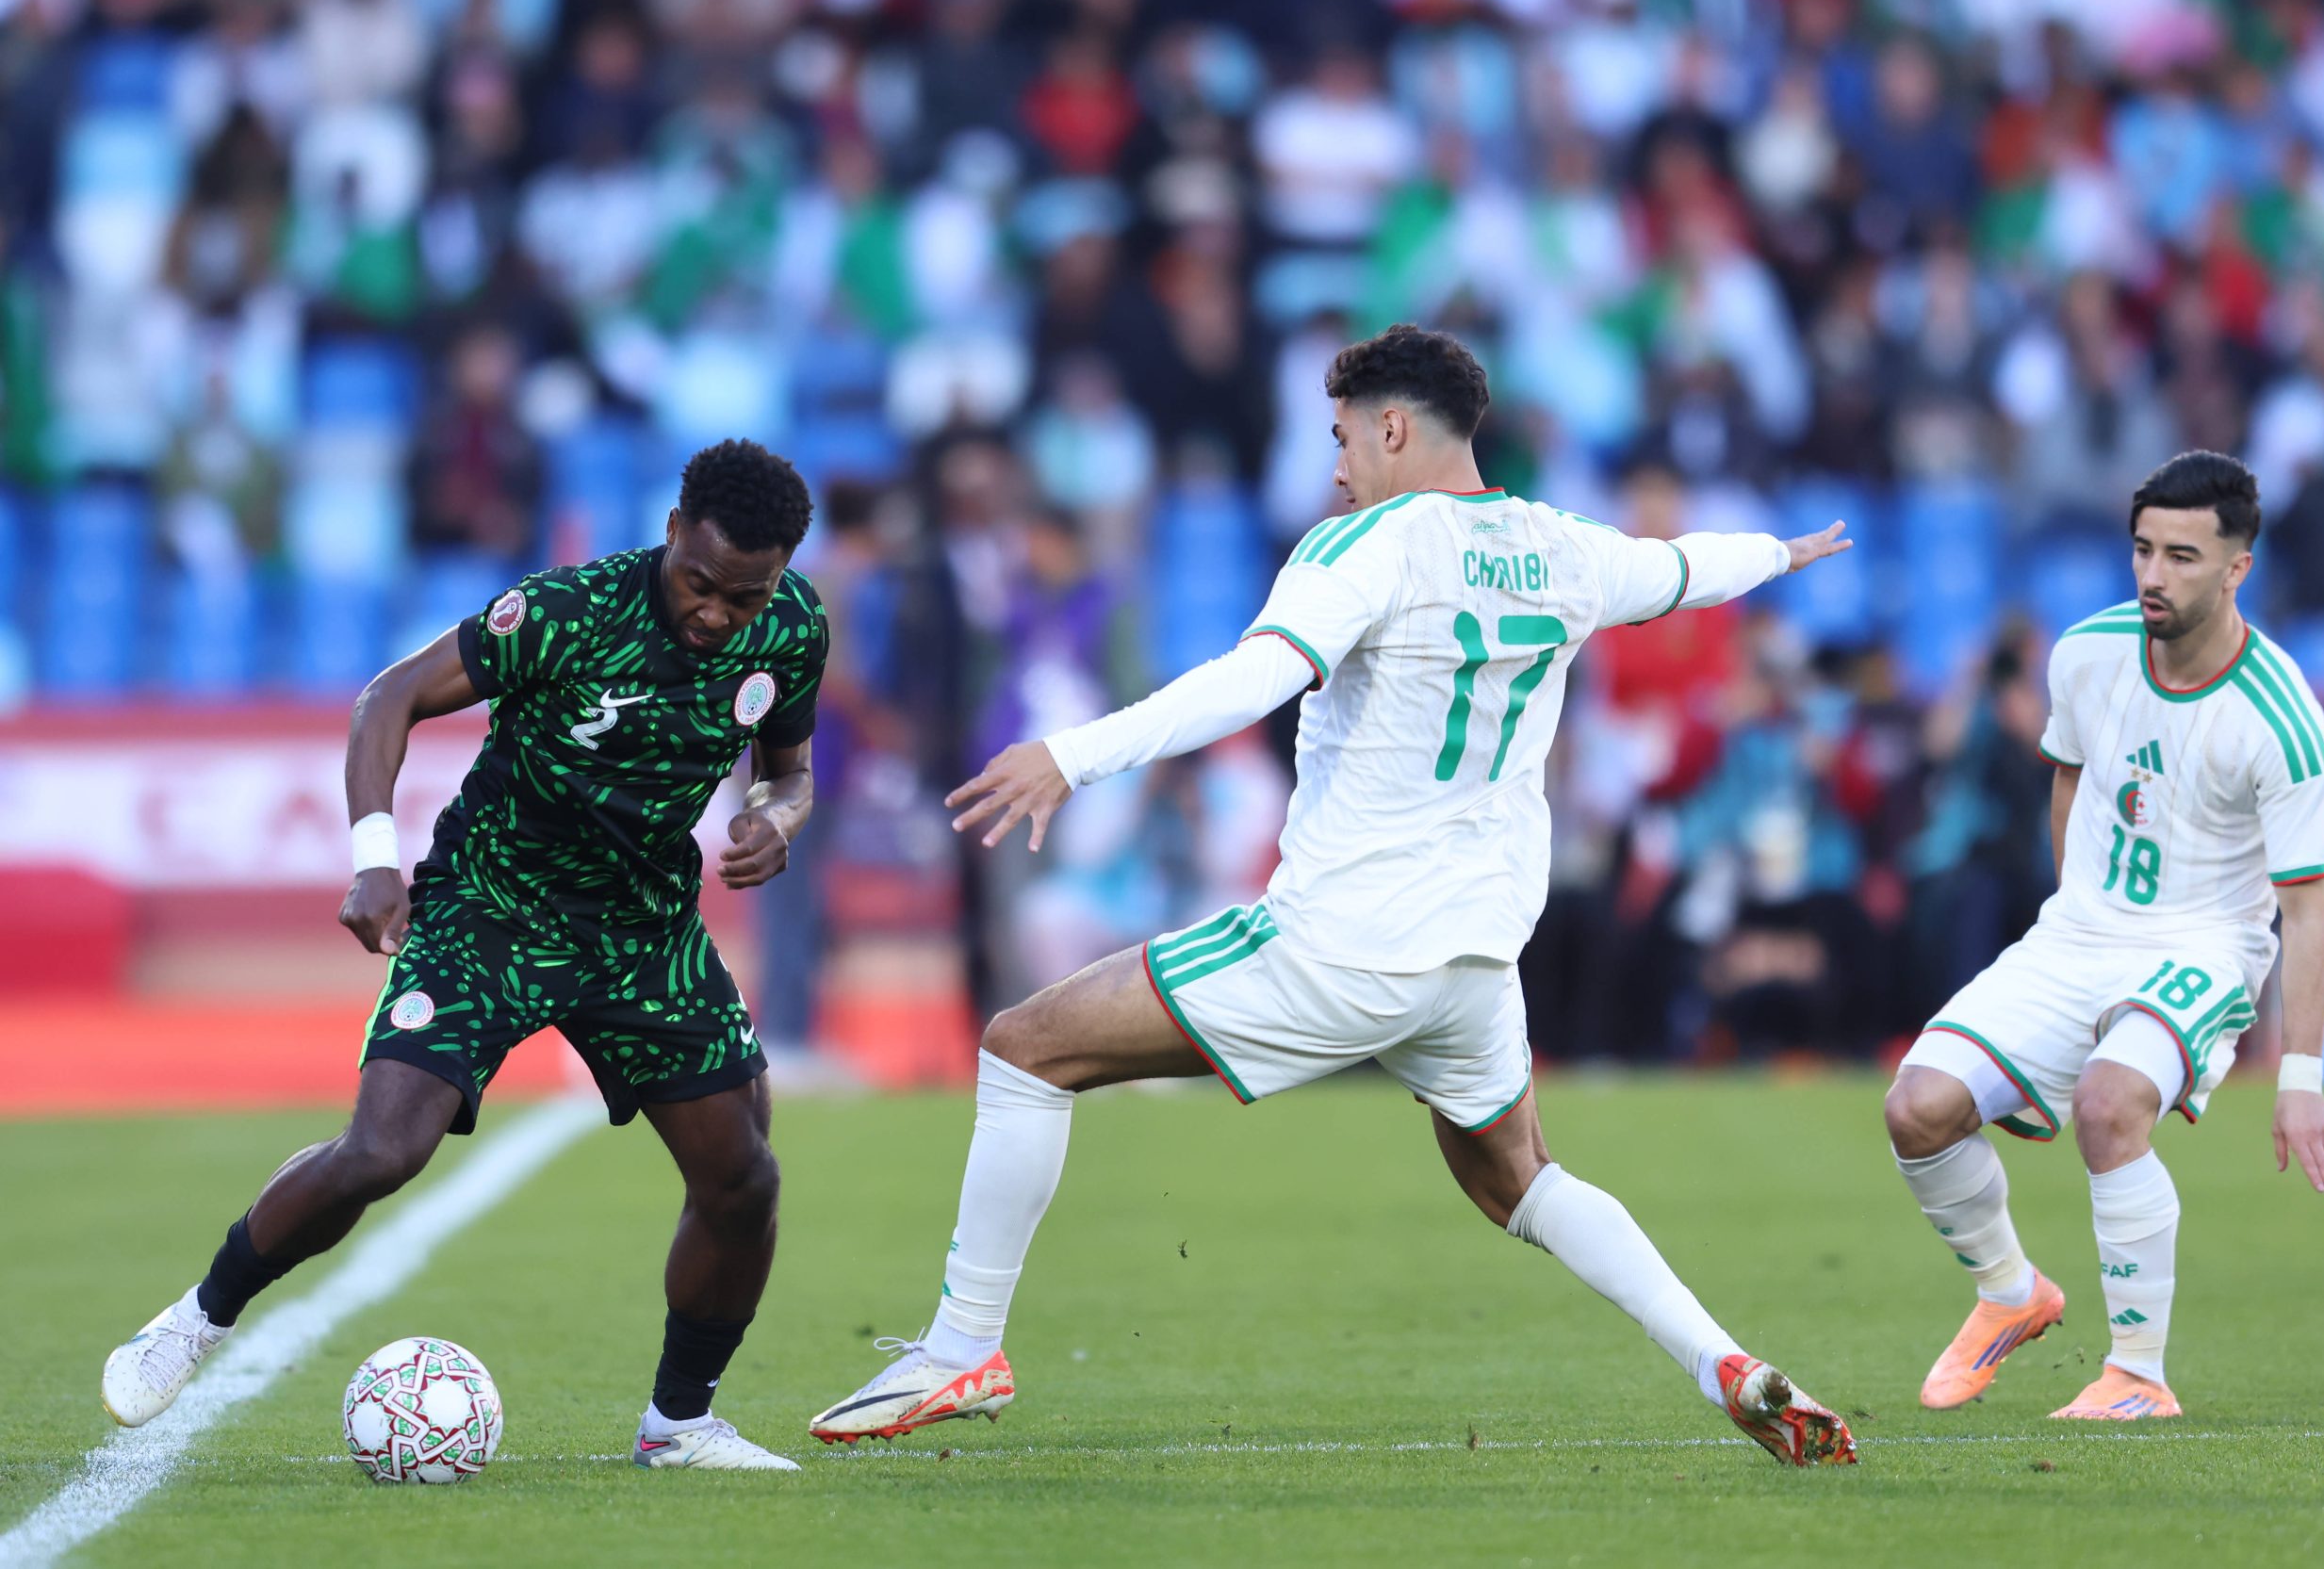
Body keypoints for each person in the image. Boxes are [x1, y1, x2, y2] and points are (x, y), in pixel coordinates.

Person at [809, 324, 1860, 1466]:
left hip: (1343, 944)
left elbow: (1254, 677)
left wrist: (1073, 753)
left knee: (1024, 1046)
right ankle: (1725, 1363)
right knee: (1520, 1178)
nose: (1335, 463)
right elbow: (1685, 567)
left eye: (1343, 434)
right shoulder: (1566, 548)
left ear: (1394, 426)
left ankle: (964, 1344)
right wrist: (1782, 552)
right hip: (1474, 961)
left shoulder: (1360, 544)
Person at [101, 439, 828, 1471]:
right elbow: (387, 698)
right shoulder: (566, 612)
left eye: (742, 598)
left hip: (642, 930)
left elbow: (790, 771)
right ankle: (195, 1320)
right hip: (493, 907)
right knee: (382, 1152)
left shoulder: (794, 626)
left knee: (743, 1179)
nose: (717, 612)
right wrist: (372, 858)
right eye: (701, 583)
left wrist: (774, 815)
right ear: (671, 534)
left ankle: (678, 1424)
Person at [1882, 449, 2324, 1421]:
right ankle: (2011, 1294)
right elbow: (2069, 779)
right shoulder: (2086, 653)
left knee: (2108, 1105)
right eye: (2141, 550)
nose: (2151, 576)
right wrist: (2076, 921)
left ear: (2236, 568)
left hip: (2206, 948)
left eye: (2181, 556)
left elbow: (2307, 910)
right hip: (2079, 937)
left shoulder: (2280, 714)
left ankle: (2137, 1374)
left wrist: (2298, 1079)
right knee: (1917, 1109)